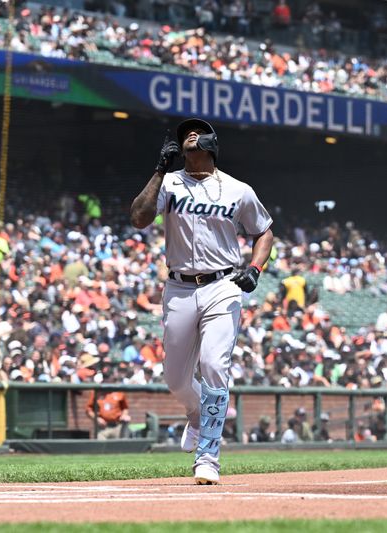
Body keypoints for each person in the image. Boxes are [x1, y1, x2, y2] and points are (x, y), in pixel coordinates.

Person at [130, 118, 274, 485]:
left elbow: (264, 231)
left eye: (197, 132)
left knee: (213, 363)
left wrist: (255, 268)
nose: (189, 135)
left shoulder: (238, 189)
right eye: (184, 134)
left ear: (213, 143)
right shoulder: (170, 182)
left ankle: (208, 455)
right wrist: (160, 169)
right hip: (178, 288)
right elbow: (139, 218)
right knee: (176, 380)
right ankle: (197, 412)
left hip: (223, 285)